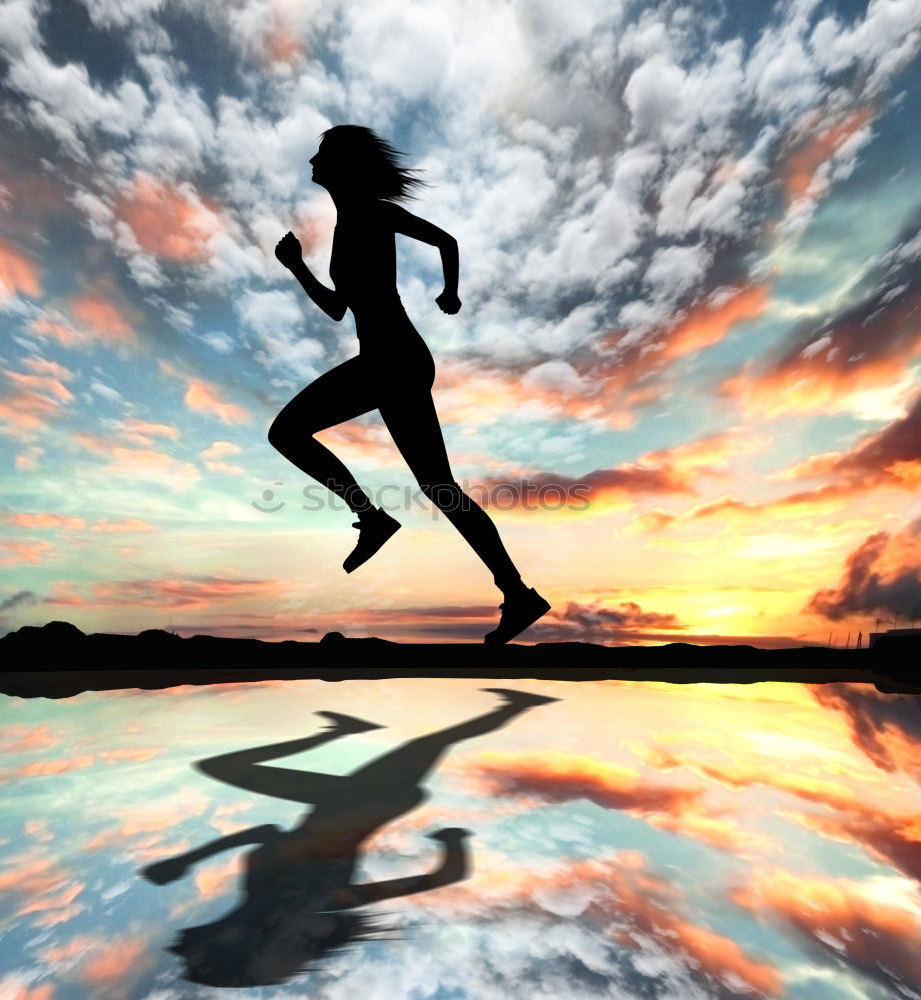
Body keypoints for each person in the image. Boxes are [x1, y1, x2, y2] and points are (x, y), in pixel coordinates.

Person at [270, 125, 550, 644]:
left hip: (393, 359)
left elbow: (446, 240)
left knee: (285, 433)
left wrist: (451, 291)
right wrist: (298, 269)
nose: (312, 159)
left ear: (342, 166)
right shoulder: (346, 222)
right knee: (441, 489)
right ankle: (519, 595)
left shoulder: (373, 212)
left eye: (322, 153)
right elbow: (338, 308)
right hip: (390, 361)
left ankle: (371, 518)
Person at [140, 687, 560, 986]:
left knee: (431, 742)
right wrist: (452, 840)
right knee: (222, 767)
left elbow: (264, 832)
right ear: (242, 941)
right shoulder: (314, 900)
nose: (193, 940)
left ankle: (337, 732)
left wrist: (191, 858)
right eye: (203, 950)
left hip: (347, 800)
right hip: (362, 802)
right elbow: (444, 879)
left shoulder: (266, 891)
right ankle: (519, 705)